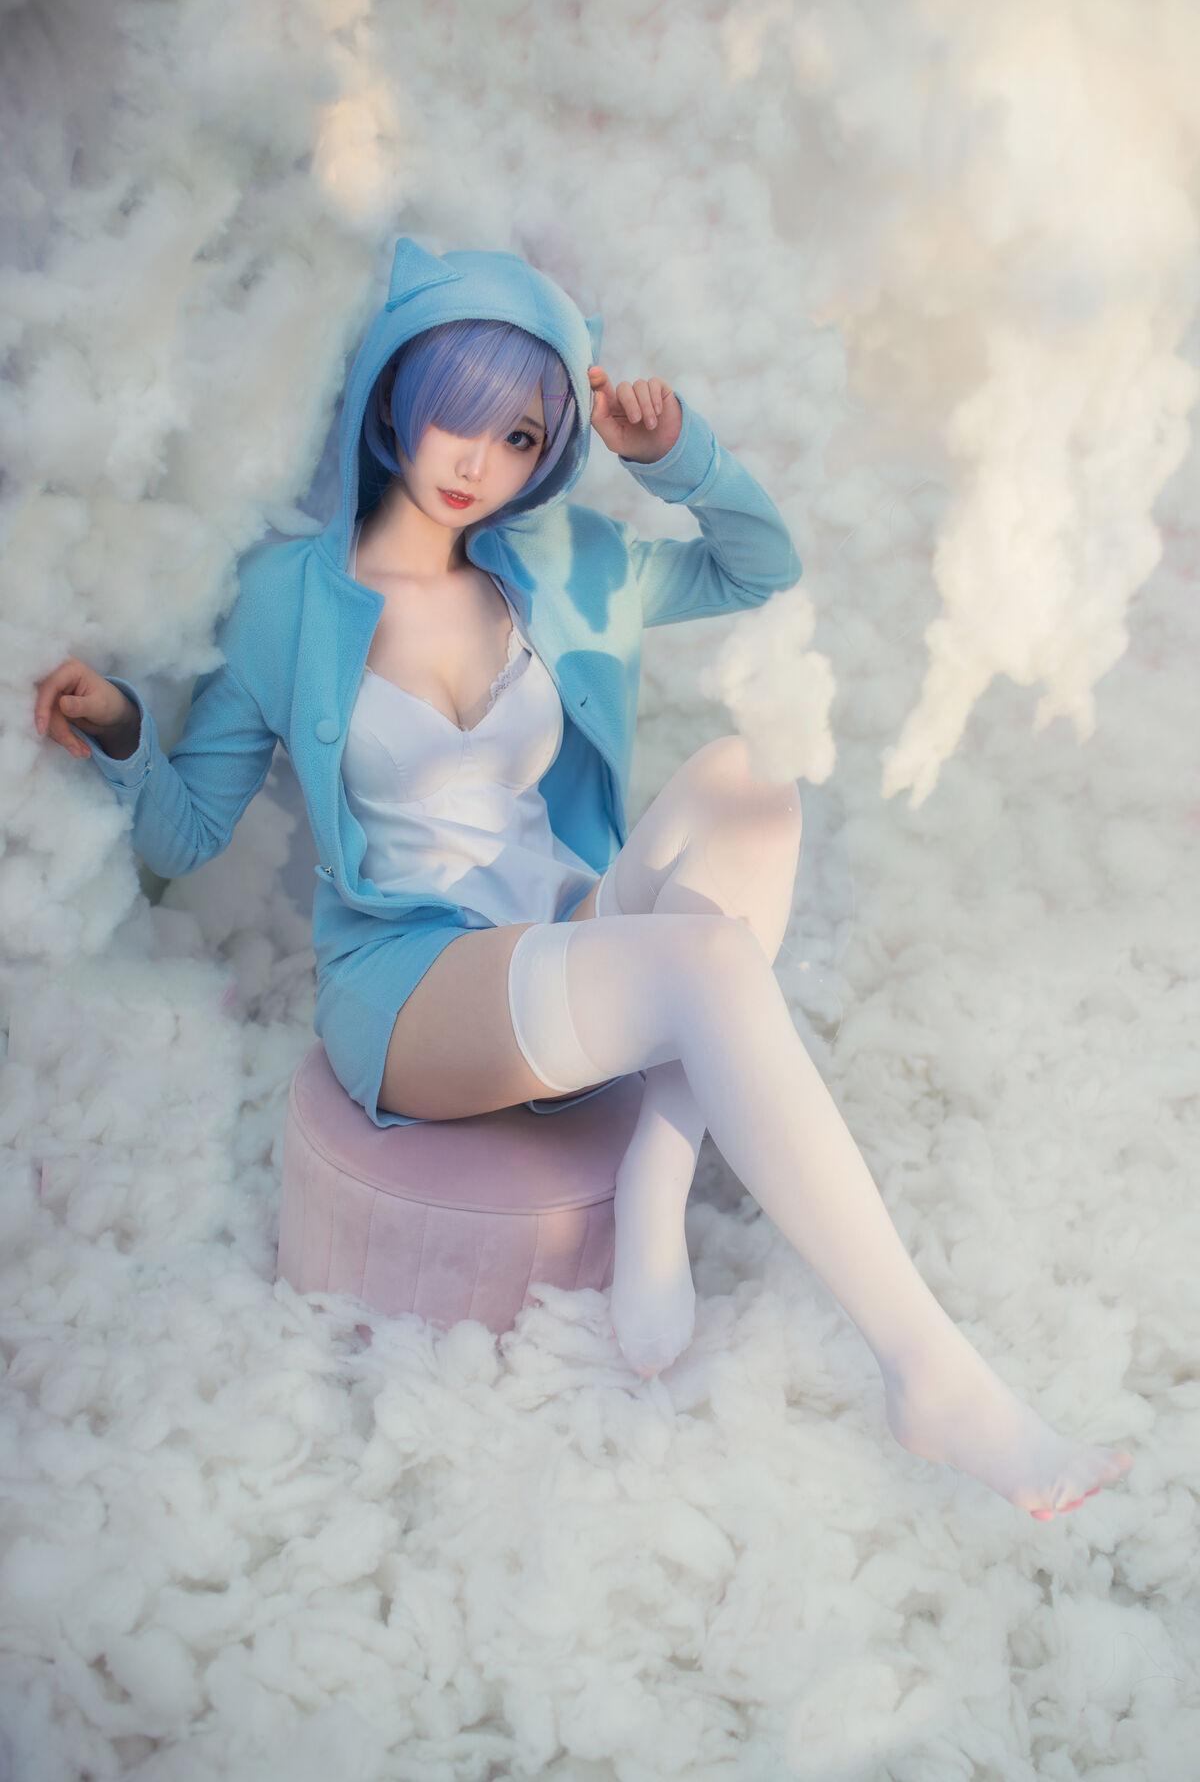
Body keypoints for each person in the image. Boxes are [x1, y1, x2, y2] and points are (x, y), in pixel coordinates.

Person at [32, 236, 1133, 1521]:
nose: (476, 462)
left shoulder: (565, 567)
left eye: (517, 437)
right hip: (416, 990)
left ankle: (659, 1162)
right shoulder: (290, 598)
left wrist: (672, 454)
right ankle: (931, 1374)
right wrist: (123, 733)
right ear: (392, 399)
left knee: (751, 778)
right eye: (455, 413)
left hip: (563, 939)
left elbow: (757, 564)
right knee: (707, 958)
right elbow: (184, 835)